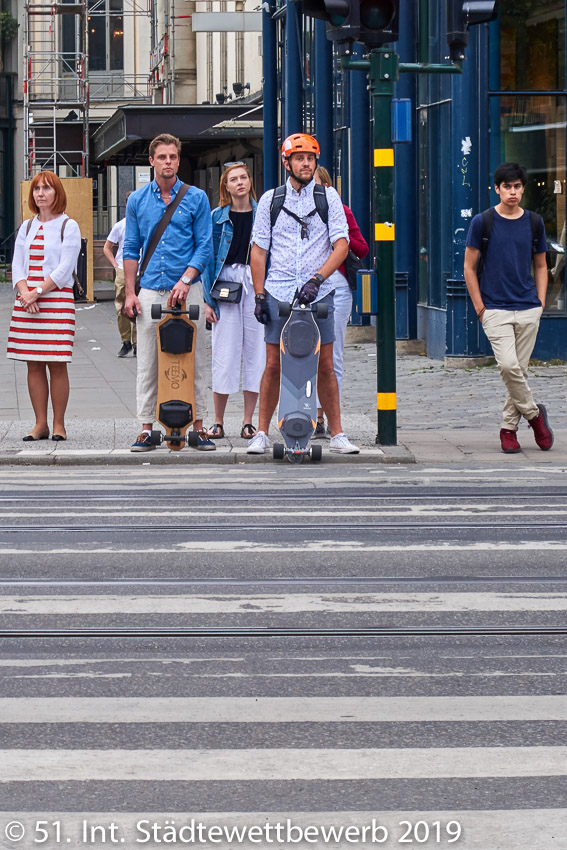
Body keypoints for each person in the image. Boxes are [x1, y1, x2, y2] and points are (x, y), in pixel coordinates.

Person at [247, 132, 360, 454]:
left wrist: (317, 278)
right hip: (277, 289)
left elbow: (342, 244)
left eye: (311, 158)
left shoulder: (329, 197)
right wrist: (258, 295)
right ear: (287, 163)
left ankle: (337, 433)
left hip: (318, 292)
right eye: (300, 158)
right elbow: (258, 251)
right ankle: (262, 433)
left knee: (325, 363)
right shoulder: (271, 199)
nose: (306, 163)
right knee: (272, 364)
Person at [122, 133, 216, 452]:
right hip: (150, 289)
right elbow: (131, 247)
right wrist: (130, 293)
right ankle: (147, 429)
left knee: (197, 359)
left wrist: (187, 278)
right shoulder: (137, 200)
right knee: (147, 361)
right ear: (152, 161)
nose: (168, 162)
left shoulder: (196, 198)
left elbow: (205, 244)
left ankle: (200, 427)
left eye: (173, 157)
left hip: (187, 289)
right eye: (162, 157)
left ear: (178, 159)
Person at [464, 161, 553, 453]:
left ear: (523, 189)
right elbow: (469, 267)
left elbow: (541, 265)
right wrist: (480, 308)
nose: (512, 192)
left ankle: (508, 429)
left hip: (528, 307)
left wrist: (540, 303)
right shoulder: (483, 222)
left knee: (520, 372)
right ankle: (536, 417)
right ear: (497, 188)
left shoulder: (534, 222)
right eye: (507, 187)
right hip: (495, 309)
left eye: (517, 187)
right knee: (508, 365)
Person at [7, 171, 81, 442]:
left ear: (57, 193)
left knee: (57, 363)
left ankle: (59, 424)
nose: (40, 193)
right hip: (27, 303)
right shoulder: (26, 226)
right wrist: (26, 292)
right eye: (37, 189)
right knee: (33, 364)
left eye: (47, 188)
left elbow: (65, 268)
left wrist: (37, 292)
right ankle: (40, 424)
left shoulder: (68, 225)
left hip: (55, 300)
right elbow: (17, 265)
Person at [204, 162, 265, 440]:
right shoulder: (216, 217)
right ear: (226, 187)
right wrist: (207, 301)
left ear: (250, 182)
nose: (240, 182)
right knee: (224, 353)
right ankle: (217, 421)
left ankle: (249, 421)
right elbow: (207, 260)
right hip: (226, 284)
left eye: (244, 177)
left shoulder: (263, 214)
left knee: (256, 353)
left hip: (256, 283)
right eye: (234, 179)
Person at [313, 165, 369, 437]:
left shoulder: (342, 211)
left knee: (332, 353)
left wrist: (342, 235)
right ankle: (308, 414)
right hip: (304, 285)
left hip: (336, 284)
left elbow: (362, 247)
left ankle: (326, 417)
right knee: (303, 351)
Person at [103, 193, 136, 357]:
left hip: (141, 268)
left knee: (140, 306)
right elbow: (107, 247)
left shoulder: (145, 223)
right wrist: (116, 266)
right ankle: (126, 341)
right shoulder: (120, 225)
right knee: (121, 305)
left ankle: (137, 343)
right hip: (123, 268)